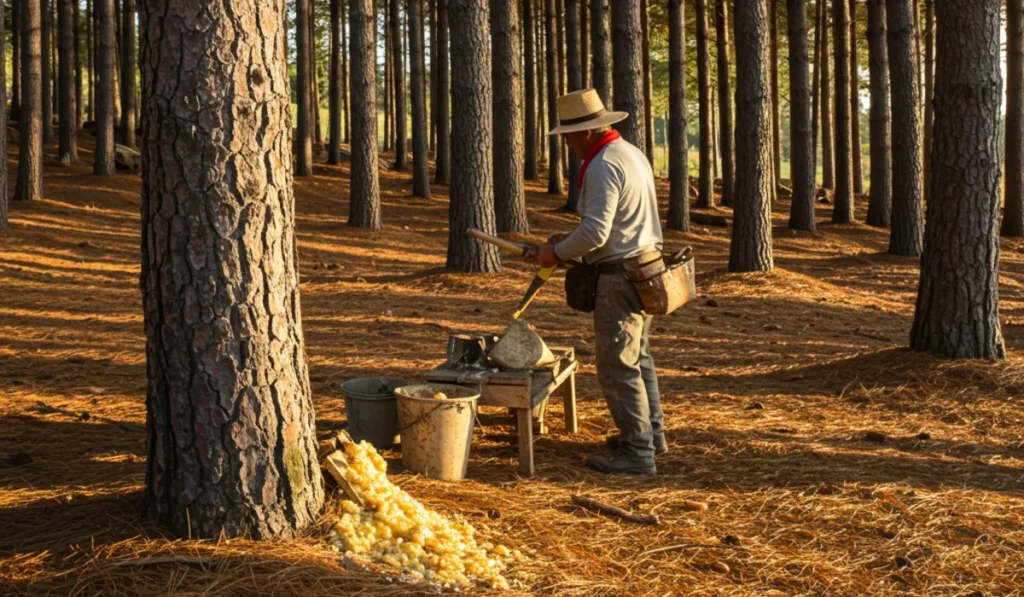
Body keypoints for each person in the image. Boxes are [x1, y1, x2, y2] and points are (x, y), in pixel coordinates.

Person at [526, 88, 665, 476]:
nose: (567, 143)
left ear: (586, 131)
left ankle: (638, 451)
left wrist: (556, 253)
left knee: (617, 365)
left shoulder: (603, 164)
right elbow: (609, 226)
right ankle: (650, 435)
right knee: (639, 358)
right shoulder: (628, 153)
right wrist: (565, 244)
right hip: (644, 268)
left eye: (568, 136)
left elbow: (596, 234)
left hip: (620, 276)